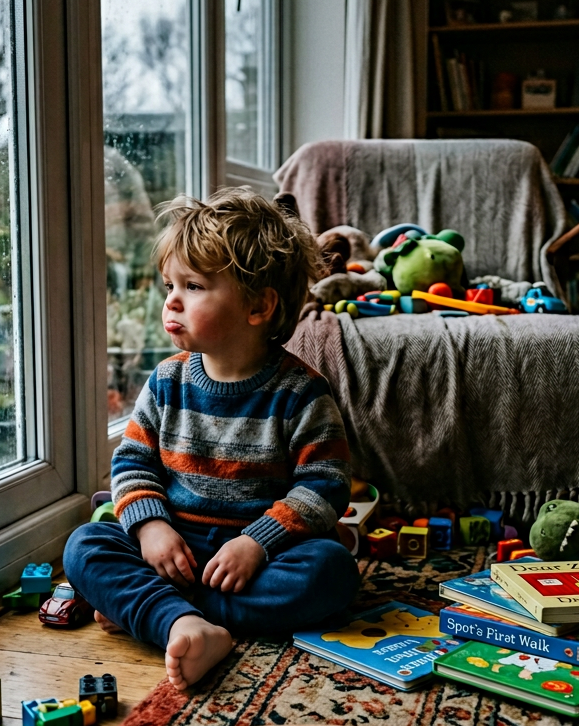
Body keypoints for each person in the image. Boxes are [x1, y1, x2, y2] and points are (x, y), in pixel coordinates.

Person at [63, 187, 359, 690]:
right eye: (169, 285)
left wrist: (256, 543)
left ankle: (158, 612)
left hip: (261, 553)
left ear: (259, 307)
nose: (171, 300)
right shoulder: (165, 382)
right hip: (174, 547)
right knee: (83, 547)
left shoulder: (300, 393)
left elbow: (325, 485)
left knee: (331, 573)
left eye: (194, 286)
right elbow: (132, 464)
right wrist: (150, 528)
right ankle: (183, 621)